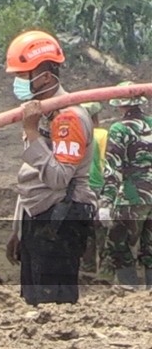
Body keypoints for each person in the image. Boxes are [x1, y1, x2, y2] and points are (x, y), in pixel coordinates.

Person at [4, 30, 96, 305]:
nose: (18, 83)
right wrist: (18, 229)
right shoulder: (45, 115)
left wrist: (32, 133)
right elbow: (30, 176)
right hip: (39, 218)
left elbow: (58, 178)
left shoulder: (68, 119)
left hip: (60, 221)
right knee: (34, 300)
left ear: (44, 76)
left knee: (55, 303)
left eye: (22, 76)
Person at [99, 82, 152, 289]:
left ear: (121, 105)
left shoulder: (119, 129)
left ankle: (128, 290)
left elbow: (113, 168)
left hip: (132, 196)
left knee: (118, 245)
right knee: (150, 249)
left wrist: (106, 202)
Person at [80, 101, 108, 273]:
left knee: (86, 228)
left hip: (82, 186)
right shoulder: (103, 135)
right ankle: (105, 265)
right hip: (99, 184)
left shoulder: (78, 134)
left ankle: (88, 266)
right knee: (103, 228)